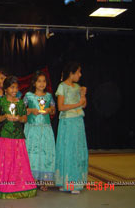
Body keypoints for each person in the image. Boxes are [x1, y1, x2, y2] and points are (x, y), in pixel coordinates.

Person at [0, 76, 37, 199]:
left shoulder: (20, 102)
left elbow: (24, 118)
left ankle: (20, 186)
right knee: (6, 161)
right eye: (12, 87)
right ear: (5, 89)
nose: (14, 90)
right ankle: (5, 187)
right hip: (4, 135)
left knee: (19, 161)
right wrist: (4, 117)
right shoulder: (1, 102)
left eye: (16, 87)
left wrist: (18, 118)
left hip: (18, 135)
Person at [55, 61, 88, 194]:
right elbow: (61, 107)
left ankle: (75, 182)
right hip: (67, 122)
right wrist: (78, 103)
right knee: (67, 150)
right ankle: (65, 182)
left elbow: (83, 105)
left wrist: (83, 95)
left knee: (76, 150)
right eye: (78, 72)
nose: (80, 75)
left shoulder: (77, 86)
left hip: (78, 121)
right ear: (71, 73)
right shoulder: (62, 86)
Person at [24, 71, 56, 191]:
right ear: (34, 82)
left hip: (45, 128)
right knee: (32, 152)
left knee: (45, 152)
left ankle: (44, 180)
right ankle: (32, 179)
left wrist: (49, 110)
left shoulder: (48, 96)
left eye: (44, 81)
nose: (41, 84)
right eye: (39, 81)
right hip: (32, 129)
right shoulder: (28, 96)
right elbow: (22, 110)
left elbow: (54, 110)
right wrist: (31, 110)